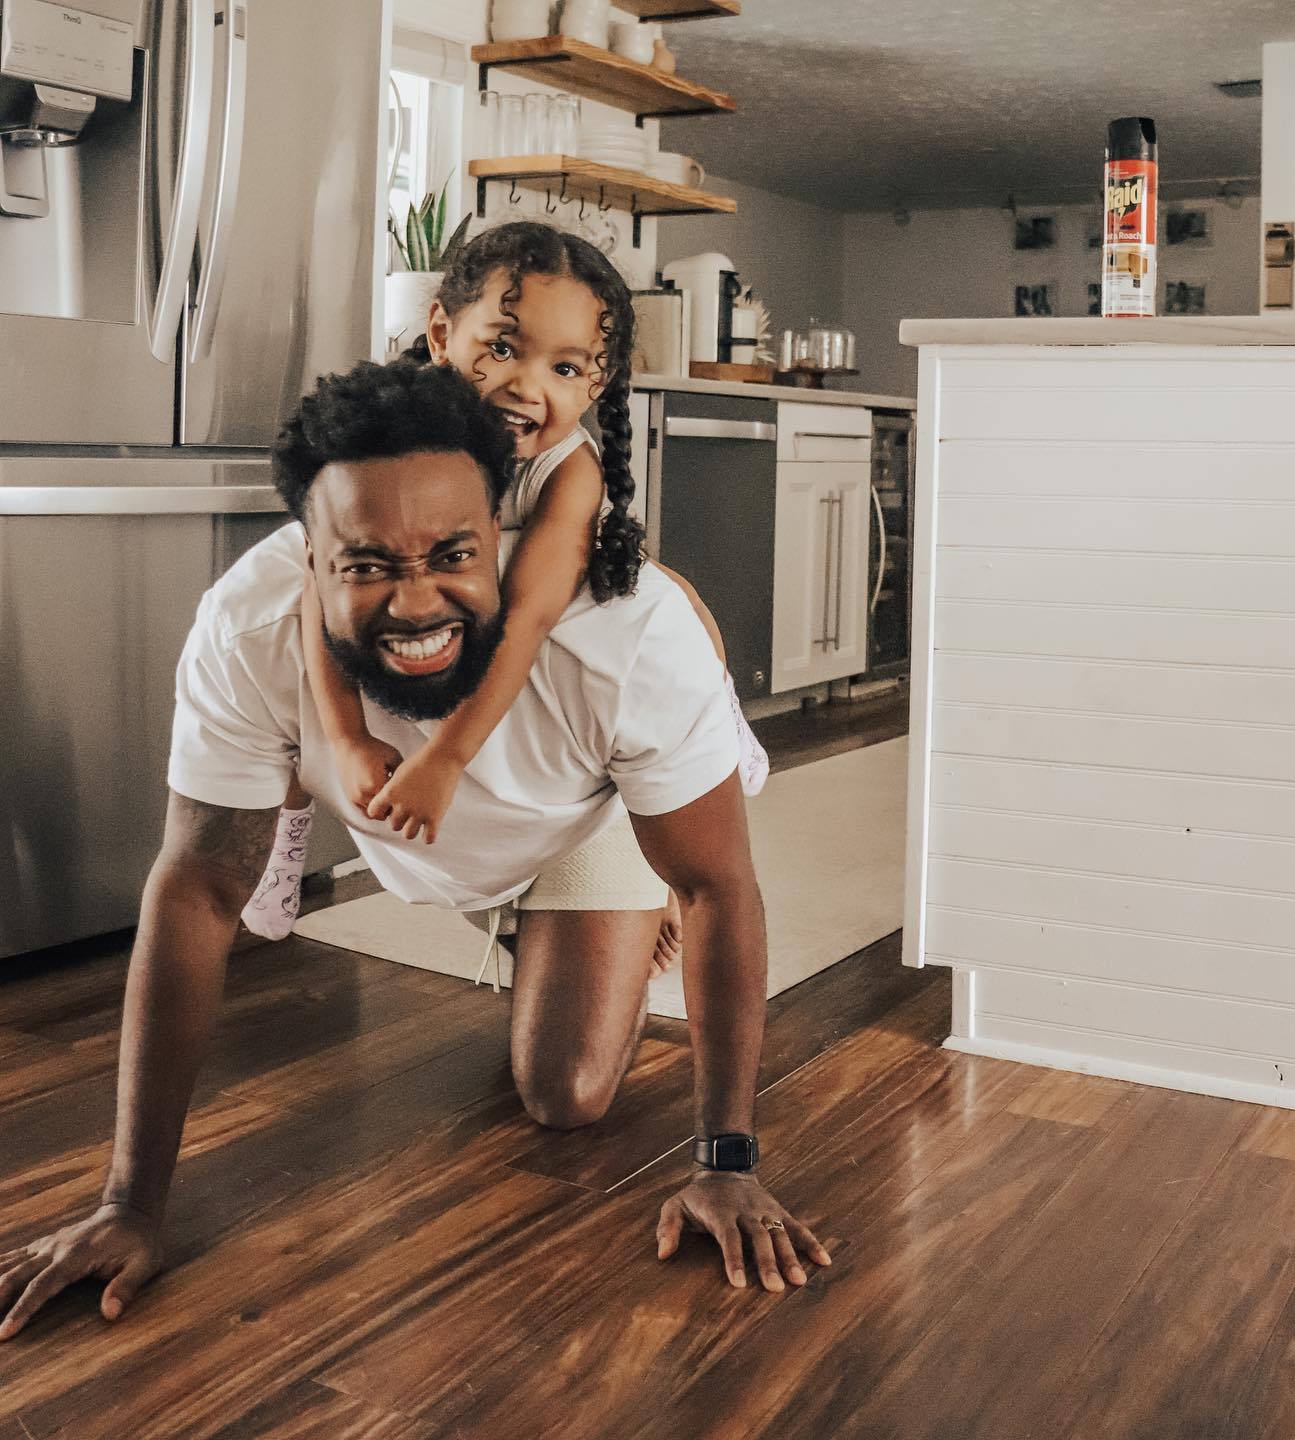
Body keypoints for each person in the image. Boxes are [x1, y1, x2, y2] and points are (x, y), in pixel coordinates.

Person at [0, 358, 827, 1342]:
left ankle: (601, 904)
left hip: (585, 819)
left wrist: (726, 1165)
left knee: (567, 1093)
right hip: (419, 829)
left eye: (452, 554)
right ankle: (520, 923)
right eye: (367, 567)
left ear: (500, 534)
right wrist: (128, 1203)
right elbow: (198, 890)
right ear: (310, 562)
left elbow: (718, 885)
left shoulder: (628, 634)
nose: (417, 603)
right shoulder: (246, 628)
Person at [240, 222, 769, 947]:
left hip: (539, 599)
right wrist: (347, 738)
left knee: (676, 606)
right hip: (415, 614)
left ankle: (702, 769)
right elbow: (318, 591)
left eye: (566, 368)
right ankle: (284, 835)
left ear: (598, 383)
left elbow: (526, 616)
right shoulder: (398, 438)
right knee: (283, 608)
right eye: (502, 348)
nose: (526, 385)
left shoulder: (567, 471)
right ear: (441, 334)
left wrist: (445, 760)